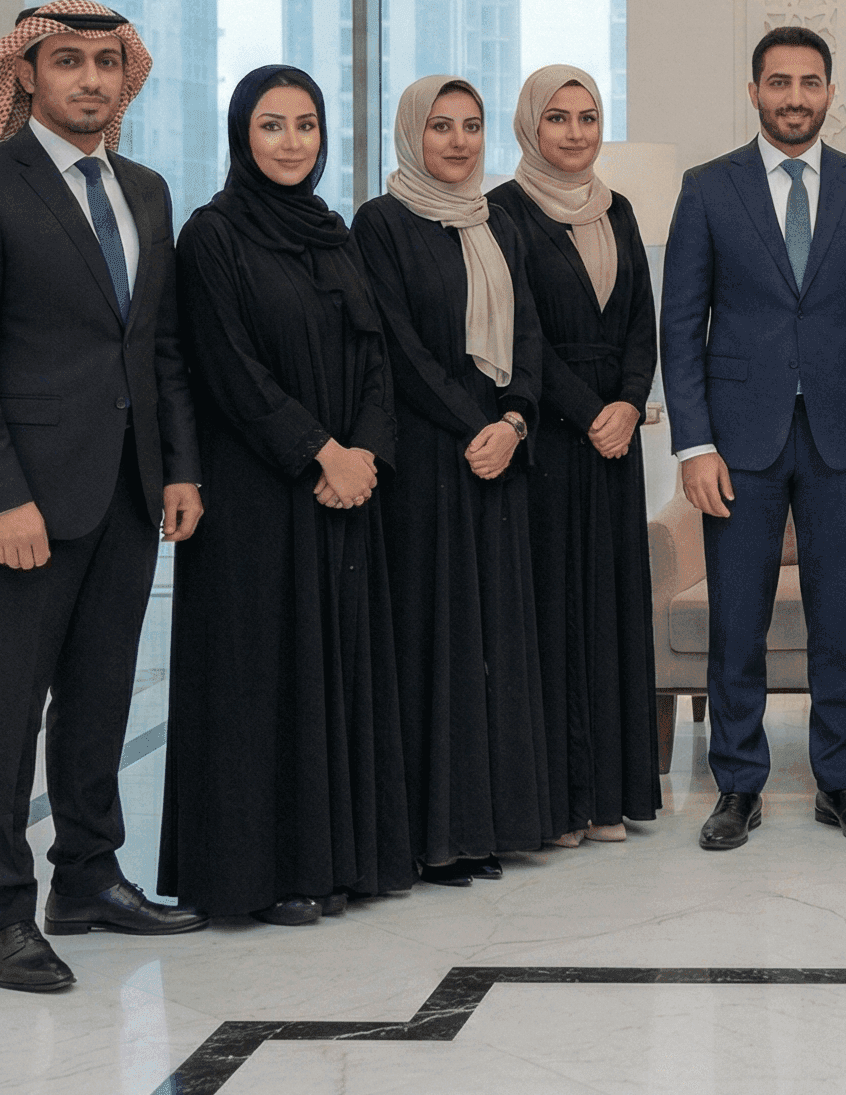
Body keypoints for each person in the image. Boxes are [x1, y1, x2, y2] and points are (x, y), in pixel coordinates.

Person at [0, 0, 207, 993]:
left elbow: (157, 346)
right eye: (69, 61)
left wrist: (176, 468)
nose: (90, 78)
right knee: (4, 710)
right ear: (27, 75)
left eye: (107, 63)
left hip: (125, 491)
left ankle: (86, 878)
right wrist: (2, 496)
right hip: (21, 501)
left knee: (100, 698)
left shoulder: (147, 190)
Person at [162, 66, 411, 925]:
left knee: (331, 670)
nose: (292, 142)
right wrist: (319, 453)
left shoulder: (334, 234)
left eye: (306, 125)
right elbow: (229, 371)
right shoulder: (211, 236)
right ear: (242, 135)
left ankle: (332, 862)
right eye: (273, 126)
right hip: (257, 495)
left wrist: (366, 454)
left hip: (345, 492)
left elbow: (376, 357)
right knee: (257, 679)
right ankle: (254, 875)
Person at [662, 26, 846, 850]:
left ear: (830, 93)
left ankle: (839, 784)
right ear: (754, 92)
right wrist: (694, 446)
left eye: (810, 82)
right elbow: (680, 326)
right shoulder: (707, 189)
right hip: (739, 446)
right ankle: (738, 786)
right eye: (779, 82)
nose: (795, 97)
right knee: (738, 622)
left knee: (837, 621)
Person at [355, 76, 553, 884]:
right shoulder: (381, 224)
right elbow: (394, 348)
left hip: (498, 458)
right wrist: (474, 427)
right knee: (432, 642)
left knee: (495, 640)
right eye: (441, 126)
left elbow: (530, 336)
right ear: (412, 133)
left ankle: (490, 824)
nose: (460, 142)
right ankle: (432, 834)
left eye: (472, 127)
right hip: (430, 463)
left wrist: (513, 422)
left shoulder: (498, 221)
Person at [490, 65, 663, 847]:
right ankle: (559, 802)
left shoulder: (618, 208)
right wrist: (592, 411)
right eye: (557, 117)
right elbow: (520, 331)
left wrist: (628, 402)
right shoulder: (500, 213)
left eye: (588, 117)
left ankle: (610, 799)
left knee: (611, 612)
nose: (574, 132)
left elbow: (639, 322)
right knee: (554, 614)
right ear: (531, 126)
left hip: (614, 441)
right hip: (548, 435)